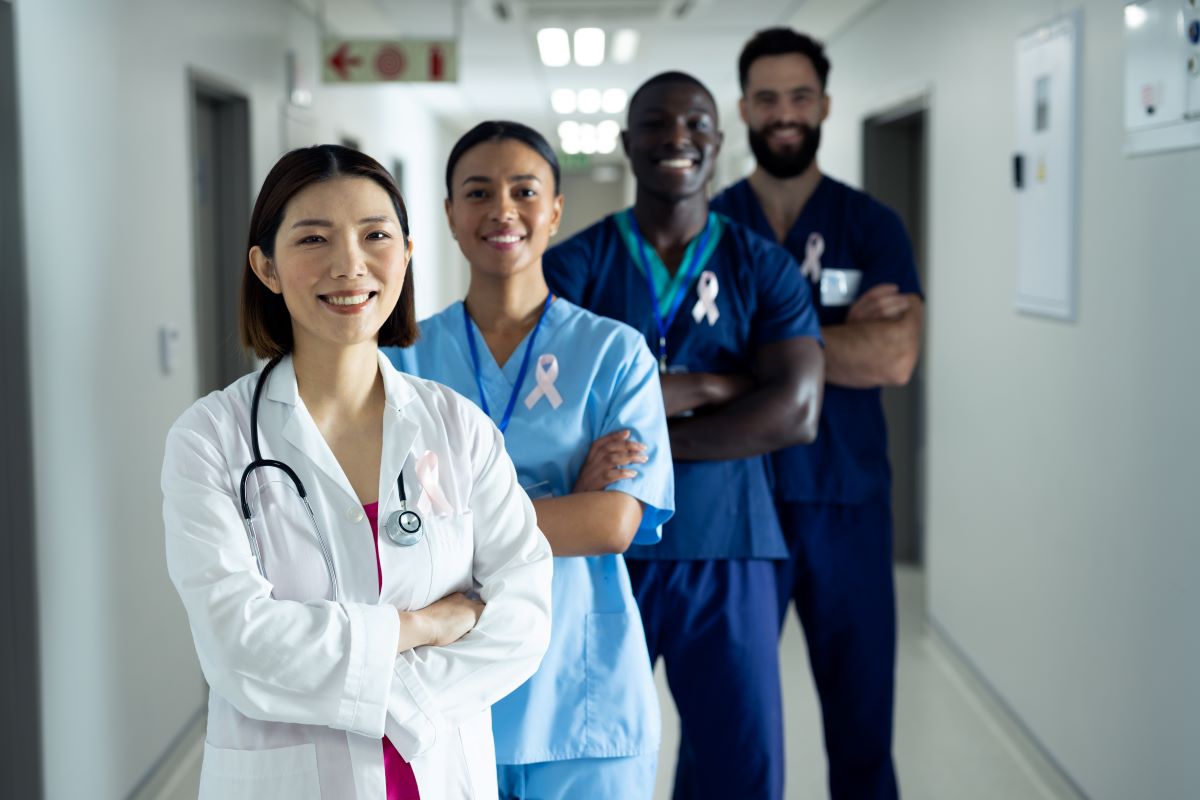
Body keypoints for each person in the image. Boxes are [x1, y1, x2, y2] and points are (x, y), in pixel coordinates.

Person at [161, 144, 553, 800]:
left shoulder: (459, 428)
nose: (349, 264)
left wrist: (399, 700)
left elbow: (524, 615)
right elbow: (239, 647)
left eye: (375, 235)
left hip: (437, 772)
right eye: (314, 238)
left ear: (405, 252)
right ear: (267, 267)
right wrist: (420, 627)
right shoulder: (210, 440)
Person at [543, 72, 825, 800]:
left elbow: (795, 410)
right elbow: (562, 411)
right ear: (626, 142)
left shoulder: (761, 266)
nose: (678, 137)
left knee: (741, 770)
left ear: (718, 141)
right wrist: (717, 384)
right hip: (603, 554)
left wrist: (635, 428)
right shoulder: (573, 266)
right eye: (657, 123)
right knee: (590, 758)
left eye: (696, 123)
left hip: (728, 548)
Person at [387, 120, 674, 800]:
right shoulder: (403, 361)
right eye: (478, 193)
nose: (502, 210)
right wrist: (566, 500)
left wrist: (458, 519)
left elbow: (612, 524)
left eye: (524, 190)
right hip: (444, 689)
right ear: (451, 213)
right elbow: (389, 530)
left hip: (581, 690)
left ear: (555, 211)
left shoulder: (615, 353)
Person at [710, 28, 925, 800]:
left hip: (848, 507)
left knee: (864, 732)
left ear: (825, 105)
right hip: (736, 512)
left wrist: (753, 350)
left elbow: (895, 357)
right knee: (724, 734)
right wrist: (840, 340)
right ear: (743, 109)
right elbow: (682, 368)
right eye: (767, 98)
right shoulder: (710, 229)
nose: (784, 112)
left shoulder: (873, 227)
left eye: (800, 96)